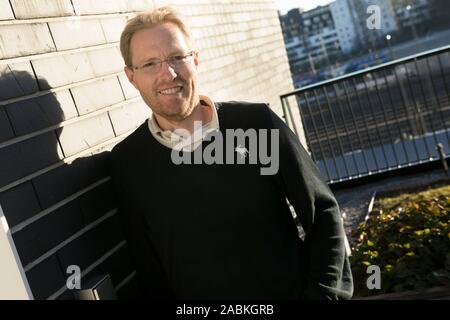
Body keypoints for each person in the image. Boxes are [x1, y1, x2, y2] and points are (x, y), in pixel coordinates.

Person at [109, 6, 353, 300]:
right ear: (131, 77)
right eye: (149, 64)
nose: (168, 74)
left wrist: (322, 297)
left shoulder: (257, 125)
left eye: (176, 57)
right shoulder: (128, 163)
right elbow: (149, 268)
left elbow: (323, 213)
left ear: (195, 60)